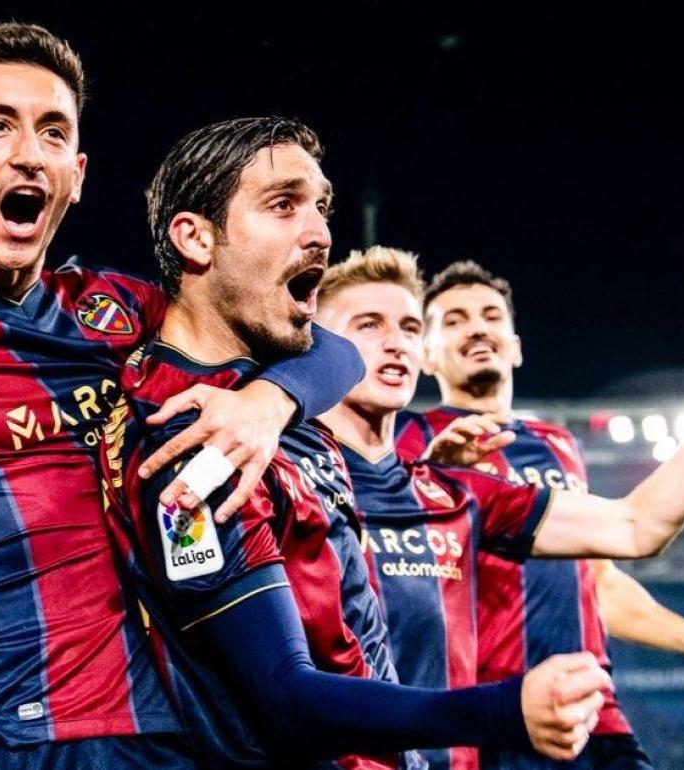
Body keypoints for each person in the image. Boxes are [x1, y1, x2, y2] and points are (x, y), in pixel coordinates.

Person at [0, 24, 363, 770]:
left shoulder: (117, 309)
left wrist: (271, 403)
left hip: (162, 740)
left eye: (53, 132)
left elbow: (331, 350)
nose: (29, 152)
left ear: (78, 172)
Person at [100, 117, 622, 770]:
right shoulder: (187, 446)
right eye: (283, 205)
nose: (319, 231)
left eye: (320, 207)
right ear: (196, 238)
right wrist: (501, 710)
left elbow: (337, 354)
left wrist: (272, 400)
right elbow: (284, 698)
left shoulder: (271, 395)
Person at [385, 258, 684, 769]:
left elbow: (597, 584)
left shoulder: (559, 445)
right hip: (496, 716)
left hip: (597, 715)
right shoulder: (409, 441)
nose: (477, 328)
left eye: (490, 315)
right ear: (427, 356)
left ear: (515, 346)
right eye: (454, 319)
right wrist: (426, 480)